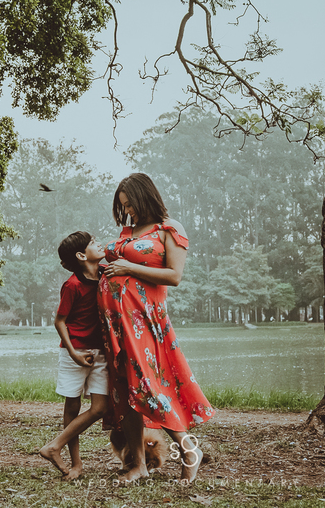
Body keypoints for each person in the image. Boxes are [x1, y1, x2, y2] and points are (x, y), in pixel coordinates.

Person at [99, 172, 213, 483]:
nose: (127, 211)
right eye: (122, 206)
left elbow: (174, 276)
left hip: (144, 324)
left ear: (145, 197)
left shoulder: (169, 229)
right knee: (125, 393)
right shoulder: (127, 232)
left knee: (148, 387)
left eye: (130, 204)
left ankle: (189, 449)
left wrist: (127, 267)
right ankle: (138, 465)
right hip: (116, 327)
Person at [38, 231, 109, 481]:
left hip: (101, 351)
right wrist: (73, 352)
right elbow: (60, 321)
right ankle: (76, 464)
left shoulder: (105, 273)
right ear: (81, 255)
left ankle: (54, 445)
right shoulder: (72, 285)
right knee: (73, 404)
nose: (99, 243)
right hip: (74, 352)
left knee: (100, 408)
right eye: (92, 243)